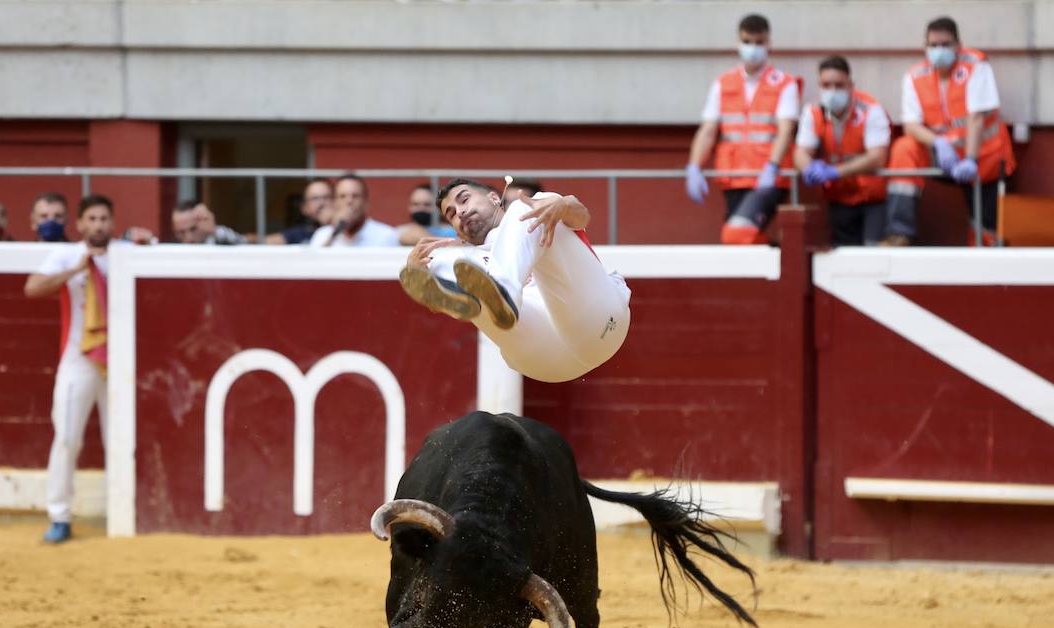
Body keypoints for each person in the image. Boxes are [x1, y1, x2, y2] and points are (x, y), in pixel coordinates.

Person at [398, 178, 630, 384]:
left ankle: (503, 291)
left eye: (464, 199)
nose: (460, 211)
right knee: (439, 259)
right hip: (543, 360)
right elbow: (438, 305)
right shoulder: (462, 259)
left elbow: (581, 217)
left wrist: (564, 204)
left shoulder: (531, 210)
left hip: (598, 323)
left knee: (530, 206)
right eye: (451, 214)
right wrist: (417, 272)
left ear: (493, 197)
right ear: (456, 231)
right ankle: (499, 296)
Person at [22, 194, 118, 544]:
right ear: (79, 224)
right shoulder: (65, 255)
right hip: (78, 359)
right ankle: (59, 515)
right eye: (91, 219)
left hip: (119, 362)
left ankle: (121, 512)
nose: (98, 225)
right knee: (66, 437)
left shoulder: (125, 253)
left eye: (104, 219)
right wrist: (76, 269)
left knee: (119, 441)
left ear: (112, 223)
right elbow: (32, 288)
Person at [880, 16, 1017, 246]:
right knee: (904, 148)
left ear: (958, 45)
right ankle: (898, 232)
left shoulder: (976, 65)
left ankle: (986, 258)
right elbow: (911, 126)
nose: (939, 50)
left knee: (987, 226)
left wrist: (971, 159)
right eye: (933, 45)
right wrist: (938, 143)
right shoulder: (915, 76)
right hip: (944, 156)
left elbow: (976, 118)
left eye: (945, 44)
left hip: (984, 158)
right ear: (925, 47)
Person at [684, 13, 801, 244]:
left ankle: (774, 252)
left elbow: (785, 130)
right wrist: (694, 166)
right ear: (738, 42)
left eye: (759, 42)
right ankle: (774, 250)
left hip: (767, 179)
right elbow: (708, 130)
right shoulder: (724, 83)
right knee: (741, 241)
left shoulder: (784, 83)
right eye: (747, 42)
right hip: (733, 177)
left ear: (768, 44)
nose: (753, 48)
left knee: (737, 234)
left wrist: (773, 166)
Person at [793, 56, 891, 246]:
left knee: (873, 256)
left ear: (851, 85)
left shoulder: (870, 110)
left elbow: (877, 157)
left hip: (872, 198)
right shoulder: (813, 112)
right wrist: (808, 168)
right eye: (826, 85)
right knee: (843, 260)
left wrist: (835, 172)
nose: (832, 91)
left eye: (839, 85)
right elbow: (800, 152)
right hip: (839, 199)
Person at [310, 174, 400, 247]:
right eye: (342, 196)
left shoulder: (386, 235)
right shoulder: (322, 235)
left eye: (355, 196)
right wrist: (336, 230)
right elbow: (315, 264)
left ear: (365, 203)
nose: (349, 201)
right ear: (335, 202)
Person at [265, 178, 335, 245]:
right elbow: (267, 241)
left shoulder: (343, 228)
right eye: (315, 198)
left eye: (326, 197)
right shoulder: (299, 233)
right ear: (304, 208)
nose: (321, 203)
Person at [171, 199, 245, 245]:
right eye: (181, 232)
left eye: (193, 229)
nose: (189, 238)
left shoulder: (219, 239)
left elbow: (245, 243)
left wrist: (214, 230)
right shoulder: (170, 249)